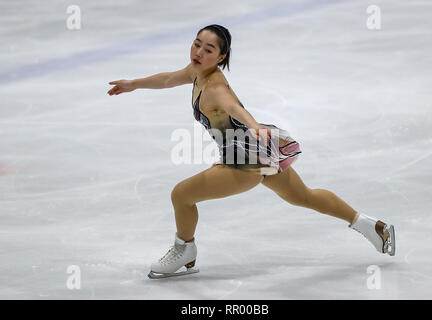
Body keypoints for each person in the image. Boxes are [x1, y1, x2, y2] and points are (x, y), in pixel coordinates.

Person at [107, 24, 395, 279]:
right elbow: (169, 79)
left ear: (220, 57)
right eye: (197, 44)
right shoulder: (197, 72)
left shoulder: (216, 86)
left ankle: (185, 251)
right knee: (302, 196)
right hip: (257, 154)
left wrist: (254, 125)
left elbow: (233, 107)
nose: (198, 52)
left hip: (242, 163)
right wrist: (134, 84)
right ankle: (372, 226)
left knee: (181, 195)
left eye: (208, 49)